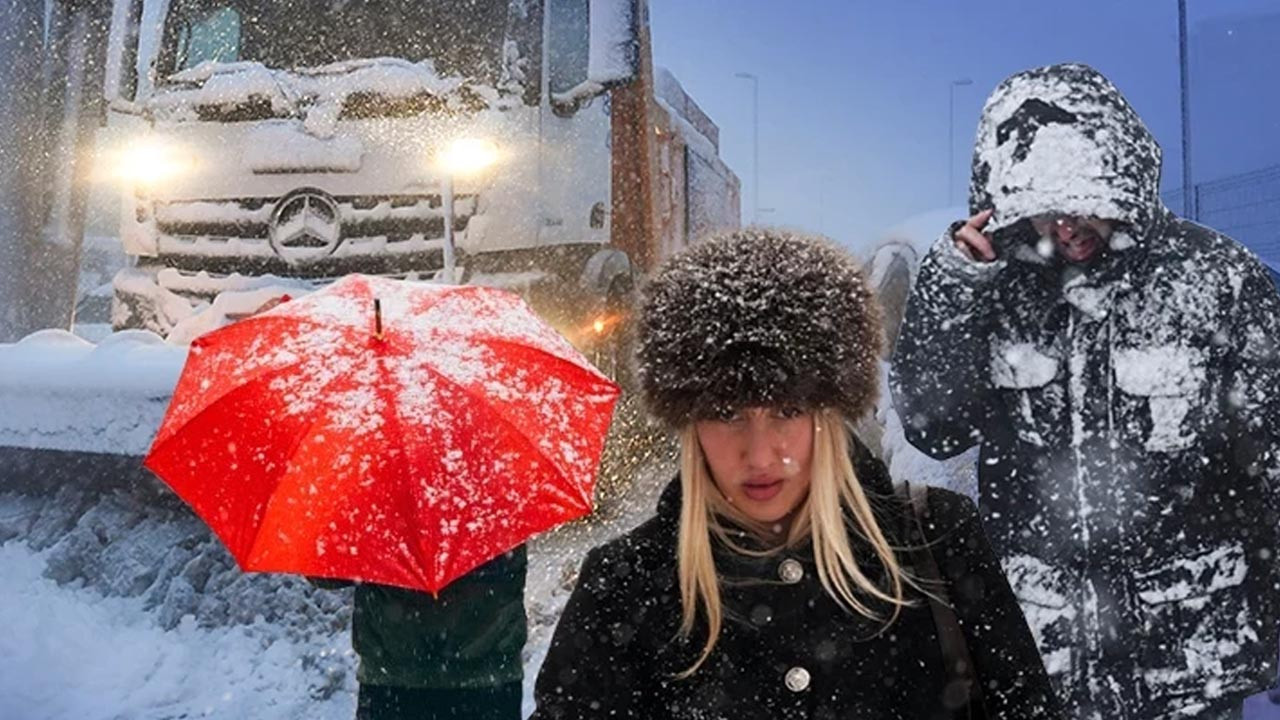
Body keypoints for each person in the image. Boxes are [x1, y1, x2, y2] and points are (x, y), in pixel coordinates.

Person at [531, 229, 1062, 719]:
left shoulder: (936, 544)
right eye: (727, 413)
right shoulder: (626, 584)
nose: (760, 455)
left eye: (787, 411)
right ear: (689, 423)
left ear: (827, 413)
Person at [890, 63, 1280, 719]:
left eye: (1081, 205)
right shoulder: (993, 287)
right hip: (1043, 654)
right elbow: (935, 426)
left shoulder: (1218, 278)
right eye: (1045, 209)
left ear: (1122, 183)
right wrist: (955, 292)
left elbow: (1272, 450)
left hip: (1193, 655)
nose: (1065, 228)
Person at [310, 546, 527, 720]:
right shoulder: (498, 504)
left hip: (392, 682)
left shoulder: (381, 508)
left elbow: (323, 568)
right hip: (490, 683)